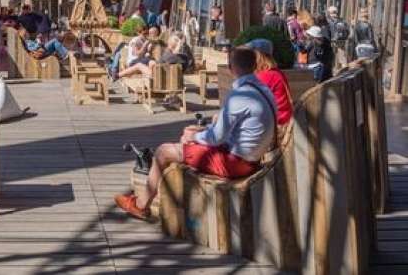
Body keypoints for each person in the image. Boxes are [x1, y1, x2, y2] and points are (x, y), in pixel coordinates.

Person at [114, 47, 276, 220]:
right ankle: (173, 196)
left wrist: (195, 136)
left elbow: (216, 138)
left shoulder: (239, 95)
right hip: (252, 158)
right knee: (189, 136)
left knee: (163, 152)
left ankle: (141, 205)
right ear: (254, 66)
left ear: (231, 68)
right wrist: (201, 132)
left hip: (234, 163)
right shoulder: (264, 90)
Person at [246, 38, 293, 125]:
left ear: (258, 56)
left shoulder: (265, 76)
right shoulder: (275, 73)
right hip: (281, 119)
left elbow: (248, 102)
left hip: (276, 123)